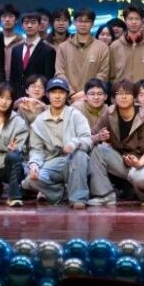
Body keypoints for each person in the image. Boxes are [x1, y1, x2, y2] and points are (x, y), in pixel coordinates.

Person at [24, 77, 103, 208]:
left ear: (66, 95)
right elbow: (36, 149)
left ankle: (78, 198)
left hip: (74, 161)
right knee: (31, 180)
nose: (57, 96)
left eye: (61, 92)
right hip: (52, 163)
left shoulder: (75, 115)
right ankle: (58, 194)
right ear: (47, 95)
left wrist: (74, 143)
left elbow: (88, 139)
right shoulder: (40, 121)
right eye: (53, 92)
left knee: (80, 155)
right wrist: (34, 164)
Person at [89, 79, 144, 204]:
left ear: (134, 97)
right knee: (97, 150)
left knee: (140, 179)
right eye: (119, 93)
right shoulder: (110, 113)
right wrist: (98, 137)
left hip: (143, 161)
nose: (123, 97)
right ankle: (105, 195)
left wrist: (138, 164)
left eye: (127, 93)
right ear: (114, 97)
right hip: (122, 160)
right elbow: (91, 135)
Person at [53, 9, 111, 104]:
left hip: (93, 100)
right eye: (80, 21)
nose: (83, 24)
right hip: (69, 99)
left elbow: (103, 74)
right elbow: (59, 73)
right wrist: (72, 93)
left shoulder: (102, 47)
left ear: (92, 24)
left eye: (87, 21)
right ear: (74, 23)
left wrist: (86, 93)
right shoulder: (63, 47)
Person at [109, 4, 144, 84]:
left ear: (142, 21)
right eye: (130, 19)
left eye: (137, 19)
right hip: (122, 91)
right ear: (125, 21)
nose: (134, 22)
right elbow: (112, 75)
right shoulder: (115, 46)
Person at [10, 11, 56, 97]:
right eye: (26, 22)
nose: (29, 25)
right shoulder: (16, 50)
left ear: (39, 25)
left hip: (38, 97)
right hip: (17, 97)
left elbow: (49, 77)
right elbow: (12, 77)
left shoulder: (48, 50)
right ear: (22, 26)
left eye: (33, 22)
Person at [0, 4, 22, 85]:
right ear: (0, 19)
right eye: (4, 16)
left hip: (16, 83)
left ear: (16, 20)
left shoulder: (22, 42)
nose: (7, 19)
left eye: (11, 16)